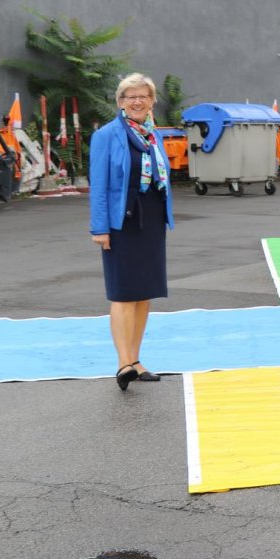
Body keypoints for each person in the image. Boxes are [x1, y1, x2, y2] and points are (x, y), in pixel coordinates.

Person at [89, 73, 175, 390]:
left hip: (151, 221)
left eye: (143, 96)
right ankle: (123, 362)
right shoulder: (107, 136)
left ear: (152, 101)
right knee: (124, 293)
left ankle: (136, 360)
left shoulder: (154, 136)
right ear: (120, 102)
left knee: (143, 293)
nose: (137, 101)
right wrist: (100, 228)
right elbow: (98, 186)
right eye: (130, 97)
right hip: (120, 222)